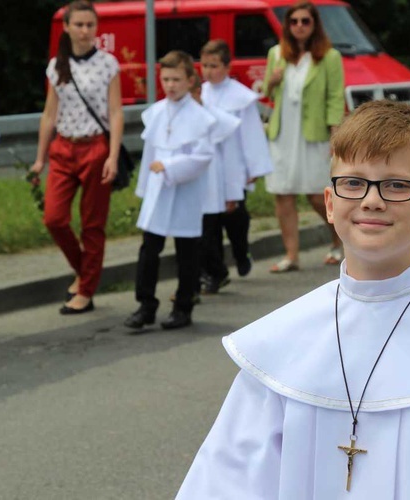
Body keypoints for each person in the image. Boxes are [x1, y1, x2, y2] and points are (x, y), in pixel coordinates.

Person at [174, 100, 410, 498]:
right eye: (353, 183)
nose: (372, 200)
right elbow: (227, 481)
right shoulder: (278, 344)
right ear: (330, 204)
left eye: (397, 185)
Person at [31, 0, 124, 314]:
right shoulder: (57, 64)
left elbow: (115, 112)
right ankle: (85, 273)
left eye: (90, 25)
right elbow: (49, 113)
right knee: (54, 218)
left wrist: (112, 156)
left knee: (92, 224)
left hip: (95, 147)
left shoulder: (108, 64)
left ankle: (85, 290)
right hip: (63, 147)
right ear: (67, 27)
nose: (85, 31)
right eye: (79, 25)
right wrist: (40, 158)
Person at [123, 51, 215, 331]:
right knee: (149, 248)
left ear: (190, 80)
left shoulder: (201, 118)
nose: (171, 85)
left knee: (187, 250)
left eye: (176, 79)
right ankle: (146, 305)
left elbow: (202, 157)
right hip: (158, 190)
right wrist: (144, 188)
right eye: (166, 79)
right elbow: (150, 151)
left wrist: (170, 166)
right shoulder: (156, 112)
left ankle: (184, 306)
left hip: (185, 189)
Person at [263, 1, 345, 272]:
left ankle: (339, 242)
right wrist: (273, 81)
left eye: (305, 21)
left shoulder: (328, 57)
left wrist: (336, 135)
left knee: (316, 194)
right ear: (287, 25)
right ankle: (291, 255)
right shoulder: (276, 53)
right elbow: (268, 91)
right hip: (283, 133)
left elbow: (335, 97)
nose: (299, 26)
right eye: (294, 21)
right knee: (283, 194)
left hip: (313, 134)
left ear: (314, 25)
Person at [199, 39, 273, 290]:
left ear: (227, 67)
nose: (209, 71)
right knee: (209, 222)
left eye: (214, 65)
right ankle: (215, 271)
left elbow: (251, 134)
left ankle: (241, 252)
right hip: (209, 168)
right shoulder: (201, 93)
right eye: (205, 65)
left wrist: (253, 168)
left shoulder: (240, 97)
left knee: (234, 217)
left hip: (233, 165)